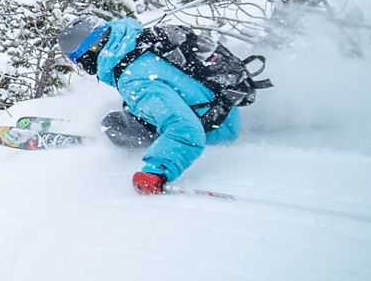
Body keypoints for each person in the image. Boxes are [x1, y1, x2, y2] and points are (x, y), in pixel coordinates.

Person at [58, 16, 241, 194]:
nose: (79, 65)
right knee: (129, 108)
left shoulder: (135, 81)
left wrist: (157, 171)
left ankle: (146, 145)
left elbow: (186, 130)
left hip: (217, 127)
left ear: (89, 53)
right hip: (222, 107)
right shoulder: (135, 42)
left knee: (113, 124)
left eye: (75, 60)